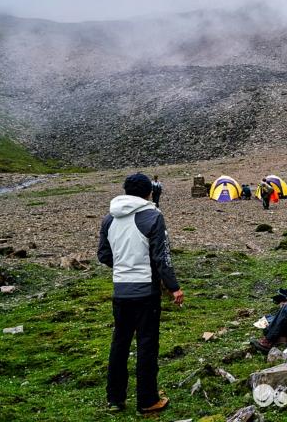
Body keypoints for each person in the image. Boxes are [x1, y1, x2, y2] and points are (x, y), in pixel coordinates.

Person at [97, 173, 184, 414]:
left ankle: (115, 398)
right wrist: (174, 286)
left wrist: (125, 264)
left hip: (120, 290)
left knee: (120, 343)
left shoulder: (109, 219)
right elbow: (162, 257)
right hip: (146, 292)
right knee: (146, 344)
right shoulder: (152, 216)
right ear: (148, 193)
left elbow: (104, 255)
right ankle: (147, 400)